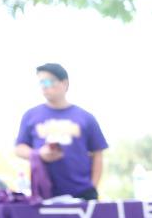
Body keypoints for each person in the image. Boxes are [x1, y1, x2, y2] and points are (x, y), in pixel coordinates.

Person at [13, 63, 108, 200]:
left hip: (82, 192)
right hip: (44, 193)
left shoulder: (86, 117)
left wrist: (92, 186)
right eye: (41, 82)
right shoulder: (31, 115)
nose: (45, 86)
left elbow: (98, 154)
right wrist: (39, 154)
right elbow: (19, 148)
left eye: (49, 81)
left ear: (64, 83)